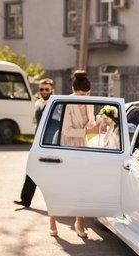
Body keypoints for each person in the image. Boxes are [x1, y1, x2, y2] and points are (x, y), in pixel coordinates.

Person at [48, 70, 98, 238]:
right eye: (81, 94)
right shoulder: (67, 103)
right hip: (66, 145)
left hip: (83, 145)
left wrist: (98, 124)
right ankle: (52, 220)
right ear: (74, 90)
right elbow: (67, 130)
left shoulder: (90, 102)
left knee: (81, 185)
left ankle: (79, 223)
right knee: (60, 185)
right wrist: (87, 131)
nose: (85, 97)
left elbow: (91, 121)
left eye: (87, 94)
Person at [14, 78, 55, 208]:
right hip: (37, 142)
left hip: (50, 143)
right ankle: (25, 200)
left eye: (47, 89)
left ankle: (56, 202)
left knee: (52, 173)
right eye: (41, 89)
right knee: (32, 169)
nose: (44, 91)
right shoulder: (38, 103)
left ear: (52, 90)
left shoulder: (56, 104)